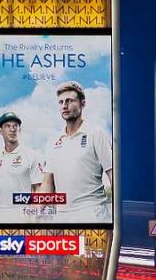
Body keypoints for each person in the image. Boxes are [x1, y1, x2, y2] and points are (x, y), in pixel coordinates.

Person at [35, 81, 114, 223]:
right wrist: (37, 212)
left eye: (70, 101)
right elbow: (47, 182)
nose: (64, 106)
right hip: (61, 217)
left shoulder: (96, 134)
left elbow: (114, 176)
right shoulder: (53, 141)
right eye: (60, 102)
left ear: (82, 104)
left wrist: (121, 214)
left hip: (92, 214)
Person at [0, 112, 40, 222]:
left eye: (15, 126)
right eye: (8, 126)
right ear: (0, 131)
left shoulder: (31, 155)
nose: (12, 129)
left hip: (21, 213)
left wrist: (36, 216)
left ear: (20, 129)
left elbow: (38, 189)